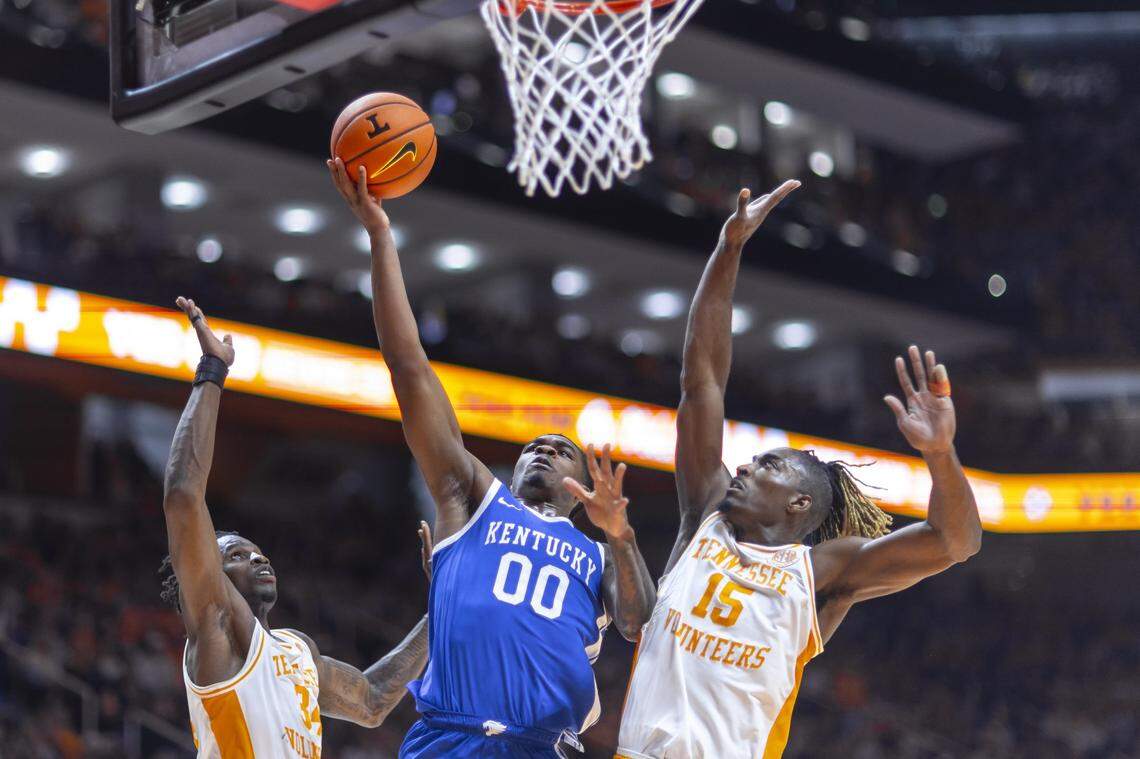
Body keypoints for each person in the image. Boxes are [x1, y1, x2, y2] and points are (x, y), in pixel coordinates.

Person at [615, 182, 983, 759]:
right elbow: (702, 381)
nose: (744, 465)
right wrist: (726, 250)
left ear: (799, 504)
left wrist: (940, 454)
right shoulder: (703, 519)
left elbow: (955, 542)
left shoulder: (819, 574)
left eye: (767, 465)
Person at [327, 159, 657, 758]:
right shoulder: (473, 500)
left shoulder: (599, 550)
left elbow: (637, 624)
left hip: (541, 746)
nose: (540, 451)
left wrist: (624, 534)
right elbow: (408, 367)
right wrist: (379, 236)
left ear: (583, 485)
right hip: (448, 738)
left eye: (560, 451)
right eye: (532, 447)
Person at [161, 296, 431, 758]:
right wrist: (211, 371)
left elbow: (371, 700)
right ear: (207, 573)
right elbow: (184, 497)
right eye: (235, 555)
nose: (258, 557)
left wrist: (442, 604)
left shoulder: (295, 648)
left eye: (257, 551)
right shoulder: (216, 627)